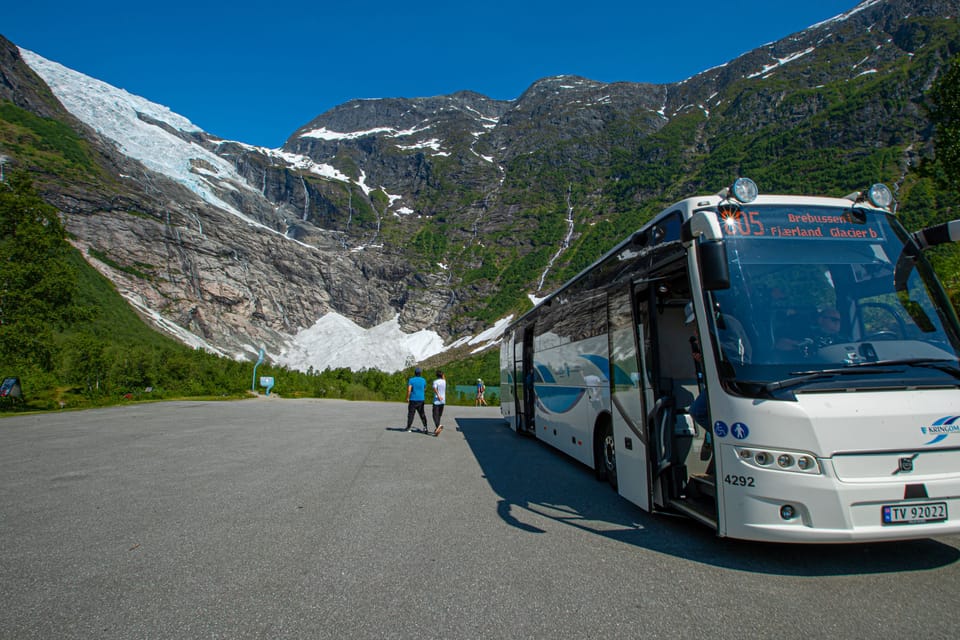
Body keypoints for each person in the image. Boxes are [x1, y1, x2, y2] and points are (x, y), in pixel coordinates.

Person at [405, 367, 429, 433]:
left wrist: (407, 397)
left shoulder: (411, 380)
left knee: (411, 414)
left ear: (415, 373)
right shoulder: (423, 380)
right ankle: (425, 427)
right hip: (421, 399)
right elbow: (424, 389)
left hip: (413, 399)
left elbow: (409, 390)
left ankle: (409, 427)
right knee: (422, 414)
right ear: (420, 373)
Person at [431, 370, 446, 436]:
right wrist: (443, 375)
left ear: (436, 376)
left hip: (437, 400)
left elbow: (434, 388)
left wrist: (438, 395)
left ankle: (438, 426)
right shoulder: (444, 381)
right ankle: (437, 428)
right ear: (442, 375)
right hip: (443, 401)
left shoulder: (435, 381)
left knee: (434, 415)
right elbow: (444, 378)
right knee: (439, 415)